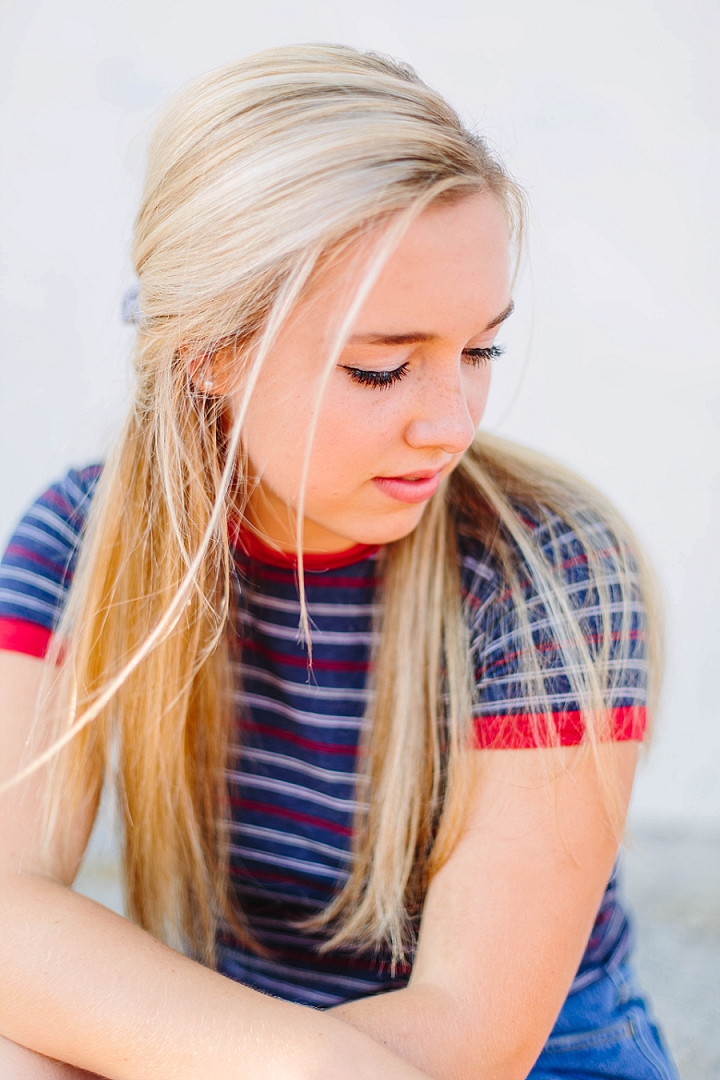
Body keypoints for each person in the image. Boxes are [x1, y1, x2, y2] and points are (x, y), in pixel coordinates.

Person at [0, 44, 679, 1080]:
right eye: (382, 367)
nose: (449, 422)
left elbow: (471, 1038)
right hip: (240, 1049)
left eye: (480, 350)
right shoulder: (82, 547)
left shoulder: (547, 570)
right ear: (210, 350)